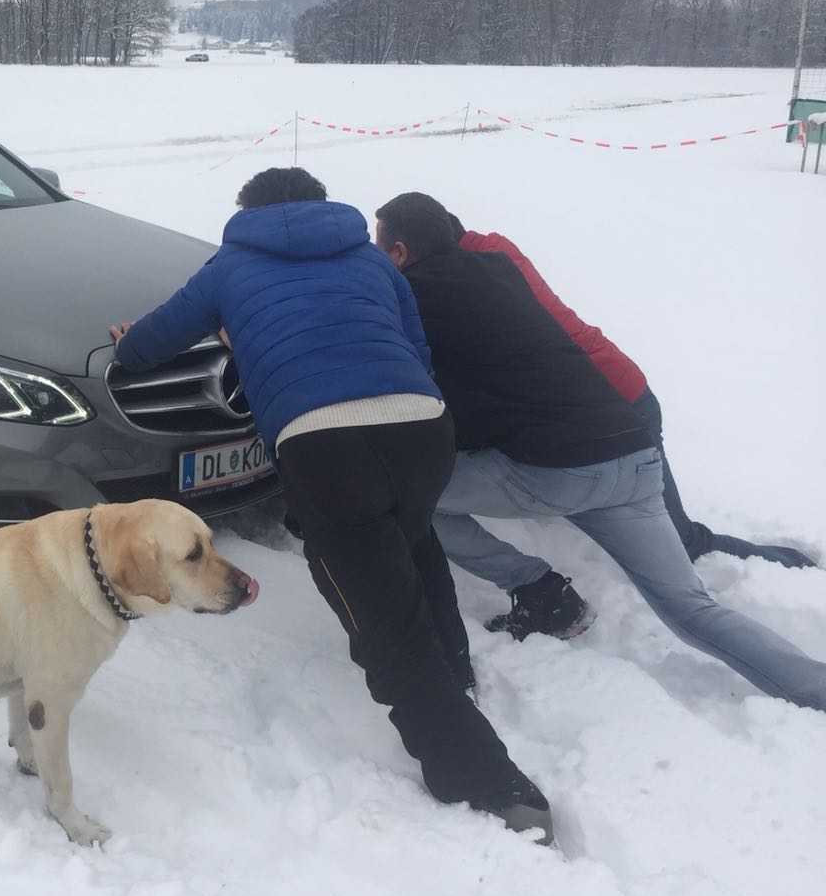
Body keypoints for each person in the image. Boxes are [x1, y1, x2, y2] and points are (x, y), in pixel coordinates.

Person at [112, 167, 553, 842]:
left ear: (248, 211)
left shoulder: (230, 265)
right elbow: (417, 347)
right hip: (422, 428)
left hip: (325, 447)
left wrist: (136, 342)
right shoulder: (371, 260)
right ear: (322, 205)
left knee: (384, 625)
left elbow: (149, 344)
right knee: (412, 539)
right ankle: (453, 672)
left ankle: (490, 786)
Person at [374, 192, 826, 711]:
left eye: (379, 246)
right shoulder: (500, 270)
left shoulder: (413, 299)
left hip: (561, 471)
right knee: (692, 610)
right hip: (634, 456)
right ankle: (814, 687)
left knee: (409, 496)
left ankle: (535, 585)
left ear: (401, 252)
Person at [451, 214, 813, 603]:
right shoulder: (492, 253)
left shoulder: (476, 277)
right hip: (610, 401)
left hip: (617, 412)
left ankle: (797, 571)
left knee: (683, 541)